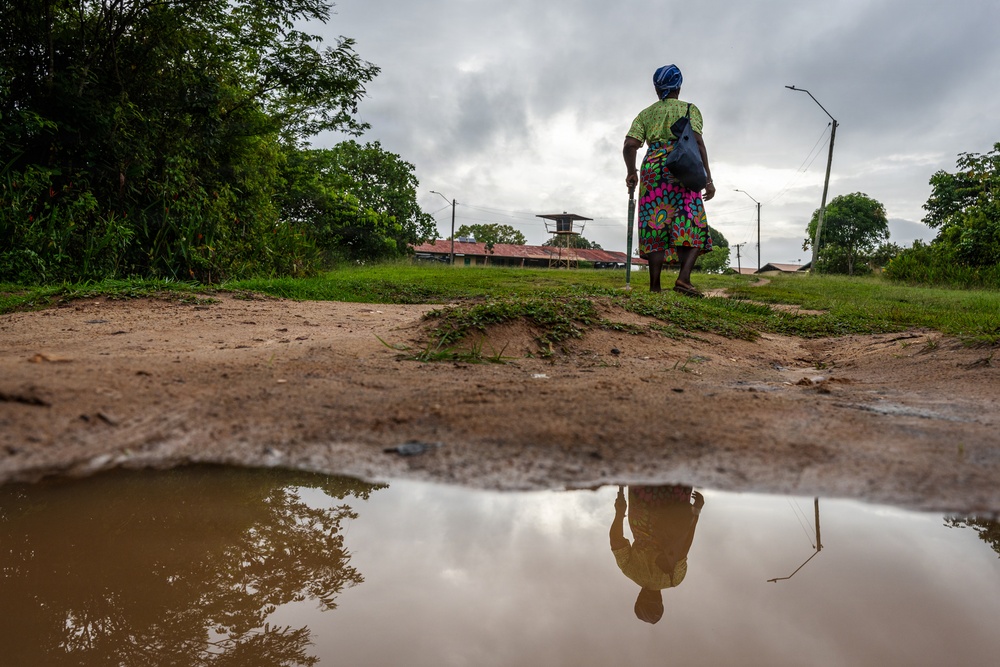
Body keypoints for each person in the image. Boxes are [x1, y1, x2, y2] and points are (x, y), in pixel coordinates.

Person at [623, 64, 716, 296]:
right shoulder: (689, 109)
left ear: (657, 88)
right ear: (679, 86)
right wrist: (708, 179)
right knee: (691, 221)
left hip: (653, 171)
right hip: (683, 169)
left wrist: (632, 171)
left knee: (655, 224)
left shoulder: (646, 114)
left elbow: (629, 145)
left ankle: (655, 287)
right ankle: (683, 279)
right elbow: (698, 142)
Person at [610, 484, 704, 624]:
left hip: (673, 512)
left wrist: (695, 513)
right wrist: (619, 513)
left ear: (660, 601)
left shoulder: (674, 580)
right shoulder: (629, 571)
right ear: (639, 599)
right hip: (641, 513)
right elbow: (616, 541)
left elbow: (684, 545)